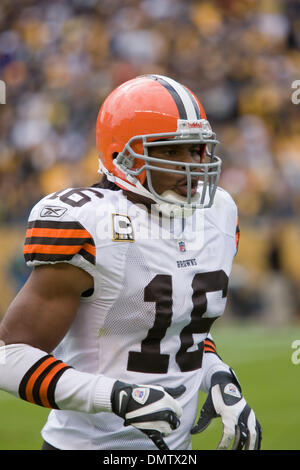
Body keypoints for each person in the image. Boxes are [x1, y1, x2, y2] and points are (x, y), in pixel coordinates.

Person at [0, 74, 261, 451]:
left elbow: (175, 331)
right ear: (122, 157)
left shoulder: (218, 213)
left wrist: (219, 376)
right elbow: (9, 354)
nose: (191, 166)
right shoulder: (90, 223)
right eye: (170, 151)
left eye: (196, 150)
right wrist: (114, 396)